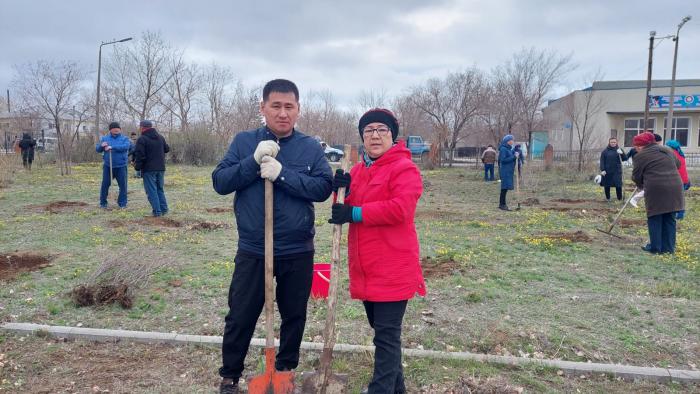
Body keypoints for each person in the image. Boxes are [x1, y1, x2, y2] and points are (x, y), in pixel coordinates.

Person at [212, 79, 332, 394]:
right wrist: (252, 162)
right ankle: (230, 376)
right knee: (241, 313)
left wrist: (283, 174)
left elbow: (322, 188)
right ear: (263, 107)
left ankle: (284, 371)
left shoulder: (309, 147)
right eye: (275, 106)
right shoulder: (243, 142)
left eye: (289, 106)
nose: (282, 113)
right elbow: (221, 182)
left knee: (294, 313)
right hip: (254, 247)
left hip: (297, 248)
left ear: (298, 109)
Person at [328, 108, 425, 393]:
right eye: (369, 130)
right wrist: (340, 191)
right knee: (384, 335)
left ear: (393, 136)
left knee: (385, 337)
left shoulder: (405, 169)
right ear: (362, 137)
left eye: (382, 129)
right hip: (366, 268)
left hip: (393, 268)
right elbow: (341, 210)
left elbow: (400, 209)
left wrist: (354, 213)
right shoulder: (357, 170)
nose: (375, 135)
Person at [631, 132, 684, 254]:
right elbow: (678, 164)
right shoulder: (666, 150)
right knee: (669, 218)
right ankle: (668, 249)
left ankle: (655, 248)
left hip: (656, 188)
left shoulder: (641, 156)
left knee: (655, 217)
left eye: (636, 145)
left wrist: (641, 185)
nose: (635, 148)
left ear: (640, 146)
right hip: (675, 186)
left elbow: (636, 176)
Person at [133, 120, 170, 216]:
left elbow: (140, 155)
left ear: (142, 127)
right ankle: (164, 209)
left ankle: (157, 212)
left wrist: (137, 167)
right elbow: (167, 149)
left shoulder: (142, 139)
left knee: (151, 191)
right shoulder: (160, 137)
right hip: (161, 168)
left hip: (149, 169)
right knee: (159, 189)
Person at [95, 122, 131, 209]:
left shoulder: (125, 138)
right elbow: (98, 149)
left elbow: (126, 147)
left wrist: (112, 147)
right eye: (114, 128)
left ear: (120, 129)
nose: (116, 129)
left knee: (123, 185)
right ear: (110, 130)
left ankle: (122, 203)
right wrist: (101, 145)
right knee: (105, 185)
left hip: (121, 166)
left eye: (118, 128)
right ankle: (103, 203)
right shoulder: (105, 138)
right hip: (108, 166)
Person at [665, 139, 690, 219]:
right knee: (680, 197)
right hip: (684, 179)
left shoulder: (671, 154)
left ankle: (678, 214)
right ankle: (680, 213)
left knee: (674, 197)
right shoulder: (680, 154)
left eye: (667, 146)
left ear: (670, 147)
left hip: (677, 179)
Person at [598, 137, 627, 202]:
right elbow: (602, 161)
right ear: (609, 142)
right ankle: (608, 198)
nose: (613, 143)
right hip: (607, 171)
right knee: (607, 185)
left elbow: (625, 158)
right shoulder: (605, 151)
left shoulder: (619, 150)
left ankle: (619, 198)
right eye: (611, 142)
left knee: (618, 185)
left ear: (616, 142)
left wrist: (622, 154)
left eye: (614, 142)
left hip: (617, 171)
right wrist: (602, 170)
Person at [498, 134, 516, 211]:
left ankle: (502, 204)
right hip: (505, 171)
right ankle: (502, 204)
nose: (513, 141)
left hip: (508, 171)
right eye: (512, 140)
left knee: (505, 188)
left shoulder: (508, 149)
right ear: (508, 141)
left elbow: (510, 157)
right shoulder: (503, 149)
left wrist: (515, 153)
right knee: (504, 188)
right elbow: (503, 160)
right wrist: (514, 157)